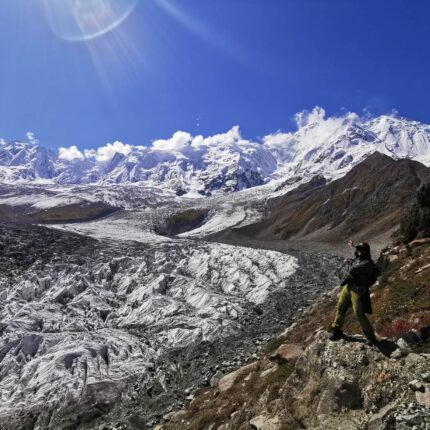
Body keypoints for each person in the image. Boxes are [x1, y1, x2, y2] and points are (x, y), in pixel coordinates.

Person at [329, 240, 379, 345]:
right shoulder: (359, 259)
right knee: (340, 307)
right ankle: (336, 329)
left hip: (358, 289)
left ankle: (370, 336)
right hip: (348, 287)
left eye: (362, 250)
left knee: (358, 314)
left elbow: (352, 271)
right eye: (359, 249)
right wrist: (352, 246)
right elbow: (356, 253)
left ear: (367, 251)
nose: (360, 251)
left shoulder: (367, 263)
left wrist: (349, 263)